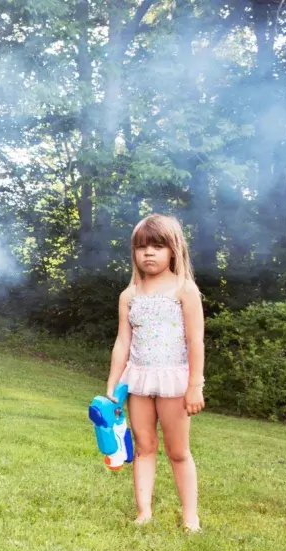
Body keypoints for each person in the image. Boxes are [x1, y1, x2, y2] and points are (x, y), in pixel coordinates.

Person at [106, 214, 205, 532]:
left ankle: (190, 517)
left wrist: (195, 385)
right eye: (142, 246)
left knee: (178, 451)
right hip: (138, 381)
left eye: (157, 245)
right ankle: (144, 512)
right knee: (144, 445)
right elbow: (123, 342)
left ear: (173, 249)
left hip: (174, 381)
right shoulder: (129, 295)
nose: (149, 252)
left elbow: (195, 340)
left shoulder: (184, 289)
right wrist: (113, 383)